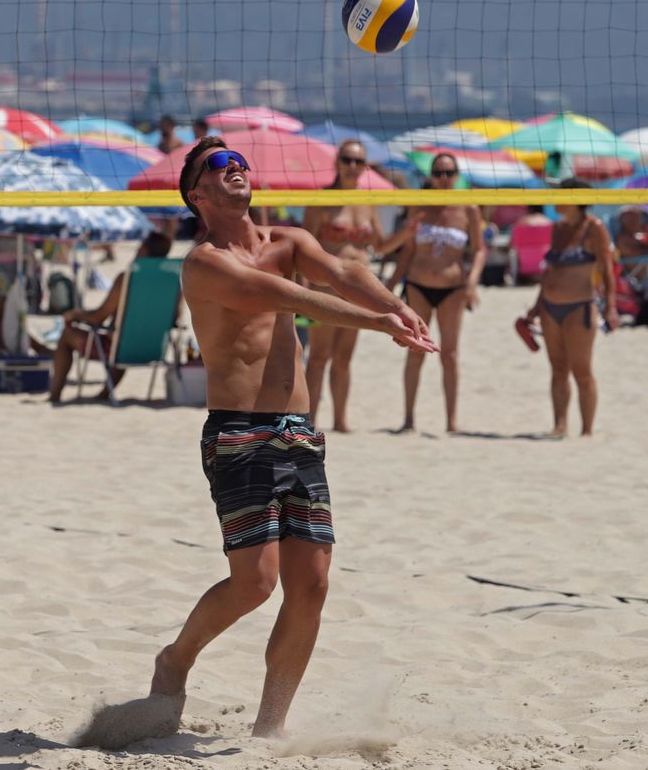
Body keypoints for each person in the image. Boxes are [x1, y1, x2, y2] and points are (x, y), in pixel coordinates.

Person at [145, 136, 434, 738]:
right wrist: (377, 322)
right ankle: (175, 659)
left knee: (313, 584)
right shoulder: (204, 263)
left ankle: (269, 729)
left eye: (239, 161)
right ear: (197, 194)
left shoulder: (290, 241)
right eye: (219, 164)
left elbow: (345, 272)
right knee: (254, 584)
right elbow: (286, 296)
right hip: (238, 433)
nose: (235, 167)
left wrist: (397, 305)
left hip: (298, 432)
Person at [381, 152, 484, 433]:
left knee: (449, 355)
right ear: (431, 176)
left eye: (449, 173)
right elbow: (407, 250)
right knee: (416, 350)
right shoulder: (420, 206)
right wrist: (391, 286)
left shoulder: (469, 208)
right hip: (419, 284)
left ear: (457, 176)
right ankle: (408, 419)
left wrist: (472, 282)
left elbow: (479, 250)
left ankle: (452, 421)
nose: (444, 178)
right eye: (438, 173)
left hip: (453, 288)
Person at [518, 180, 618, 438]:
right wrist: (536, 307)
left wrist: (611, 308)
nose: (554, 200)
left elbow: (607, 270)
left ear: (575, 199)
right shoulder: (558, 228)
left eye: (559, 195)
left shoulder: (594, 228)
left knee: (582, 371)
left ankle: (587, 431)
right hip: (550, 307)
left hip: (579, 307)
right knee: (558, 369)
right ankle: (560, 426)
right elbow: (550, 272)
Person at [300, 139, 383, 432]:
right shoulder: (323, 200)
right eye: (347, 159)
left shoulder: (368, 201)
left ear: (365, 166)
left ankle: (340, 421)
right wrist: (303, 292)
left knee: (344, 358)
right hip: (326, 287)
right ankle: (309, 421)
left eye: (358, 161)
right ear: (337, 162)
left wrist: (409, 232)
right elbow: (304, 247)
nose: (352, 166)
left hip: (359, 291)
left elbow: (381, 246)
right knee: (318, 356)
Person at [47, 232, 173, 403]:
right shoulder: (172, 280)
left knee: (68, 335)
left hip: (121, 349)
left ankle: (54, 396)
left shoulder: (127, 279)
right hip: (153, 349)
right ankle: (105, 393)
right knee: (122, 336)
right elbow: (175, 317)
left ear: (144, 250)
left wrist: (75, 314)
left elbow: (98, 317)